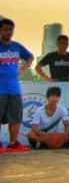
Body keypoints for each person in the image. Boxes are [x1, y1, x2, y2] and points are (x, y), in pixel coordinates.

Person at [0, 18, 33, 153]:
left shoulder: (17, 46)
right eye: (5, 29)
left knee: (16, 117)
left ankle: (13, 144)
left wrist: (23, 69)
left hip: (14, 87)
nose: (8, 32)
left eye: (11, 29)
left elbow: (30, 57)